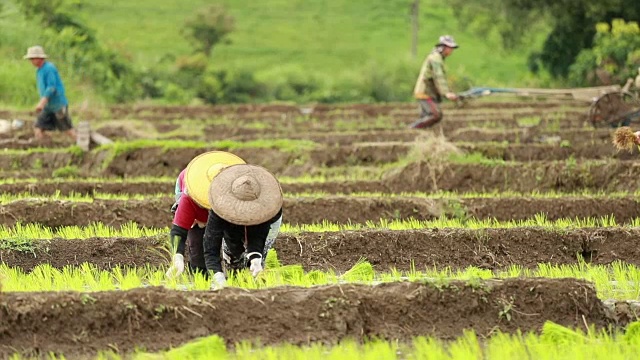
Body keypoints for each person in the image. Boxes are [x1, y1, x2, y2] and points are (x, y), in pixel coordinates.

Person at [165, 151, 246, 278]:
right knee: (198, 252)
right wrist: (177, 259)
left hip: (228, 214)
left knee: (234, 247)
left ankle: (237, 276)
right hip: (188, 190)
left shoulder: (238, 195)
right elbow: (178, 231)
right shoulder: (190, 197)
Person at [202, 164, 284, 289]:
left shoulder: (268, 209)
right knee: (233, 259)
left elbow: (257, 235)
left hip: (265, 225)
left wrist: (256, 257)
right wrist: (217, 275)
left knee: (257, 266)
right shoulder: (220, 209)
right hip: (231, 228)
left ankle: (255, 284)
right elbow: (210, 248)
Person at [23, 45, 77, 141]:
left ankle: (81, 144)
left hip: (57, 105)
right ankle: (43, 147)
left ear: (39, 58)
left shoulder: (49, 68)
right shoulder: (39, 70)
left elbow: (51, 87)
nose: (31, 61)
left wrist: (42, 102)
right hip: (48, 107)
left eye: (32, 58)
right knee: (38, 128)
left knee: (67, 129)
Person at [410, 35, 459, 129]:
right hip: (425, 92)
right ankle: (411, 131)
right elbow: (438, 77)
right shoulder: (435, 58)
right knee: (435, 115)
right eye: (450, 47)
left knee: (427, 117)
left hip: (429, 93)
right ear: (443, 47)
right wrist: (446, 93)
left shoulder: (438, 58)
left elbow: (441, 79)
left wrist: (449, 91)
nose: (451, 50)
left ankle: (421, 136)